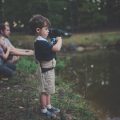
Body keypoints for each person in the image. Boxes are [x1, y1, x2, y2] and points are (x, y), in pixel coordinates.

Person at [29, 14, 62, 118]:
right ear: (38, 30)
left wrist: (52, 42)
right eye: (46, 29)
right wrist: (60, 40)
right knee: (44, 91)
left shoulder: (42, 41)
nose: (48, 31)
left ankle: (48, 106)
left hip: (49, 69)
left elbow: (50, 48)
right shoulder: (40, 42)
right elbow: (56, 49)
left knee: (48, 90)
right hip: (45, 71)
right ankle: (43, 110)